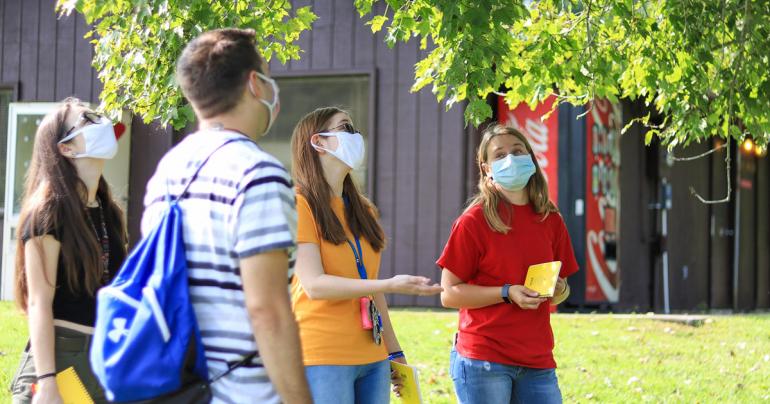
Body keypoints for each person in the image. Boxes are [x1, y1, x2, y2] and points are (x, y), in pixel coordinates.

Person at [140, 29, 310, 403]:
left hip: (178, 388)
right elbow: (267, 310)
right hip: (244, 393)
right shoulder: (259, 174)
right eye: (268, 75)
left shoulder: (167, 171)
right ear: (255, 83)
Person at [289, 107, 443, 404]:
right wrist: (388, 284)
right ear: (318, 142)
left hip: (373, 356)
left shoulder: (365, 210)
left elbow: (372, 289)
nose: (357, 136)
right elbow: (315, 285)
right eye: (346, 128)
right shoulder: (299, 204)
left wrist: (394, 352)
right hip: (322, 354)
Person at [437, 124, 578, 404]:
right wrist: (507, 292)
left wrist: (558, 289)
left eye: (517, 151)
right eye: (499, 155)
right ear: (486, 168)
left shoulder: (551, 220)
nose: (510, 160)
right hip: (484, 359)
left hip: (537, 359)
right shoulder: (473, 221)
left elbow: (563, 291)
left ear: (531, 158)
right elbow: (449, 293)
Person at [9, 98, 128, 403]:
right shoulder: (48, 212)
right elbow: (38, 303)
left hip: (104, 358)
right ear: (66, 148)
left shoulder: (111, 212)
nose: (100, 121)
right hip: (60, 358)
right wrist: (46, 381)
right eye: (88, 119)